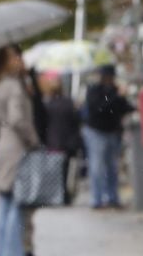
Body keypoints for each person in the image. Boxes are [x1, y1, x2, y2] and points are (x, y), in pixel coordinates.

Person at [0, 46, 40, 256]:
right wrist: (33, 140)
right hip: (17, 146)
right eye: (14, 57)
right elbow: (18, 119)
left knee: (6, 203)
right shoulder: (15, 88)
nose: (20, 60)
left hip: (2, 145)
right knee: (17, 204)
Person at [81, 65, 132, 208]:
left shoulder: (115, 90)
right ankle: (96, 199)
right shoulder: (94, 90)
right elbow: (100, 108)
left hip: (112, 132)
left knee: (112, 167)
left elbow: (123, 107)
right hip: (96, 131)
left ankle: (112, 197)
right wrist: (117, 97)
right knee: (97, 166)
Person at [39, 71, 83, 202]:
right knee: (67, 170)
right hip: (69, 141)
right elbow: (76, 120)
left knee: (56, 170)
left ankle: (58, 194)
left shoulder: (46, 104)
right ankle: (65, 195)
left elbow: (43, 124)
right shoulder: (68, 102)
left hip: (54, 142)